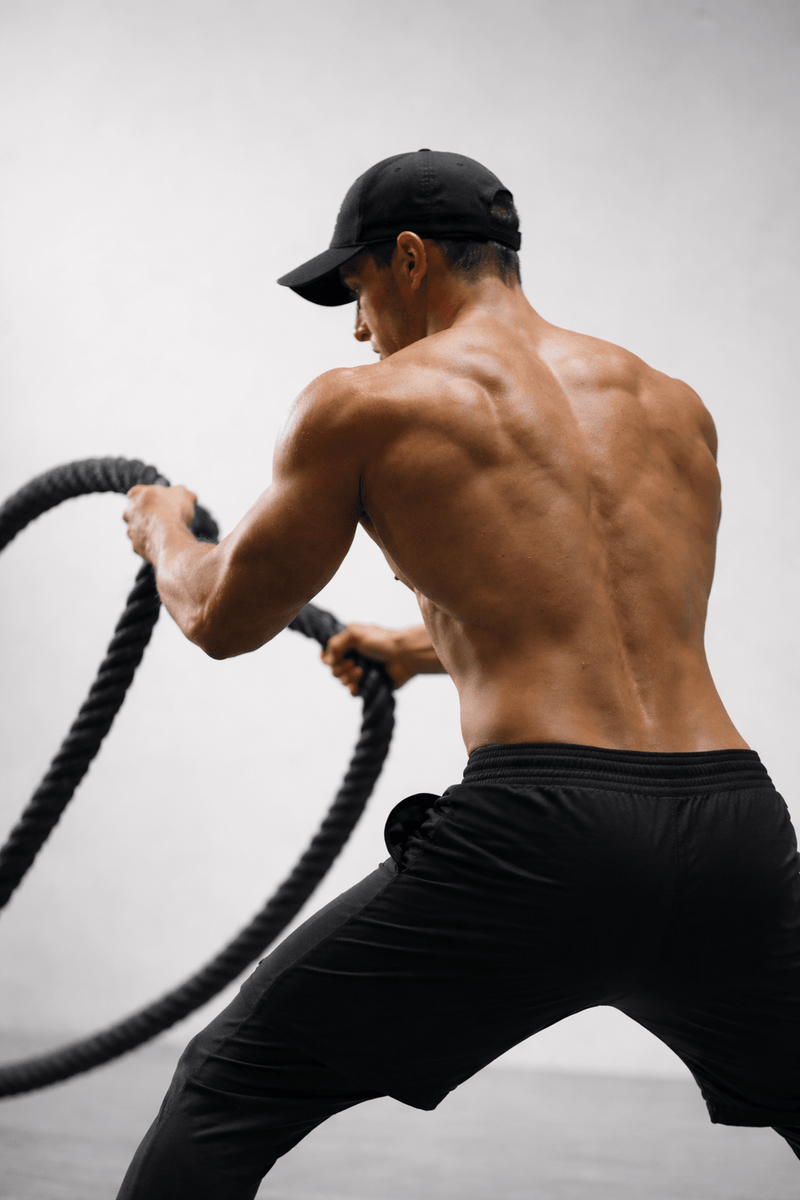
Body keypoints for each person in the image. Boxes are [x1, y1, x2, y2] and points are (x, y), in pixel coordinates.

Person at [117, 149, 800, 1197]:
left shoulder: (365, 401)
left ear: (405, 258)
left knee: (228, 1087)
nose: (354, 328)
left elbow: (217, 615)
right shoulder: (669, 404)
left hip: (548, 841)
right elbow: (609, 618)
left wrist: (163, 530)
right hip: (734, 830)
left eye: (351, 292)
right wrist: (413, 646)